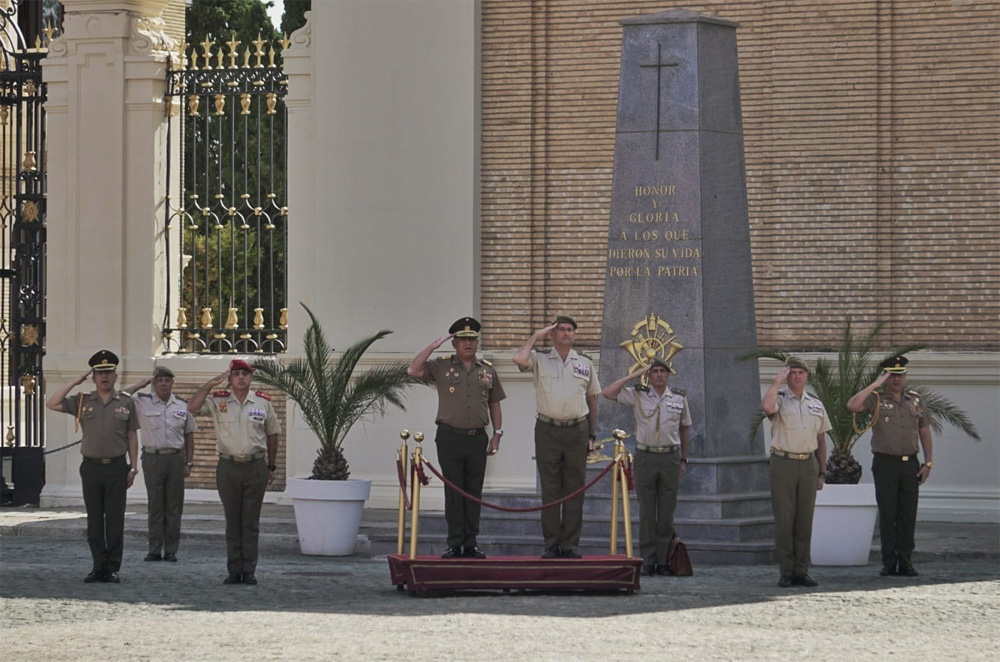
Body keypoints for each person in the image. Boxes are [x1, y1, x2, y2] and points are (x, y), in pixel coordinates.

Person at [407, 317, 506, 559]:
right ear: (455, 344)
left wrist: (497, 434)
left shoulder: (487, 369)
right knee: (454, 492)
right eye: (463, 339)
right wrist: (432, 346)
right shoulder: (441, 366)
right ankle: (454, 543)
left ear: (477, 342)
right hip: (450, 437)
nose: (468, 343)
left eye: (472, 339)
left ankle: (471, 543)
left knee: (473, 491)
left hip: (477, 438)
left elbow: (495, 404)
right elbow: (413, 370)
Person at [45, 350, 140, 583]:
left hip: (117, 468)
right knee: (95, 520)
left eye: (108, 372)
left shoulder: (126, 402)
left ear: (115, 376)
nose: (104, 377)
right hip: (91, 469)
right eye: (100, 373)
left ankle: (112, 568)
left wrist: (133, 468)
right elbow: (52, 402)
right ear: (94, 377)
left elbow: (132, 437)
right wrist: (74, 382)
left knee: (115, 520)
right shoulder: (82, 401)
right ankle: (98, 566)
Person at [513, 315, 600, 559]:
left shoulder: (584, 362)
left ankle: (570, 545)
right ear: (552, 334)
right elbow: (518, 359)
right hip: (547, 430)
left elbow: (592, 399)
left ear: (575, 334)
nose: (565, 333)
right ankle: (551, 545)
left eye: (570, 330)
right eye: (560, 329)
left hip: (577, 430)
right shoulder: (539, 358)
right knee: (550, 490)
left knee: (575, 490)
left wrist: (592, 434)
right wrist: (536, 336)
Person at [188, 359, 280, 585]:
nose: (241, 378)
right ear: (229, 378)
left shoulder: (263, 403)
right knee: (232, 520)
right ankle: (234, 570)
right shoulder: (219, 401)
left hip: (255, 466)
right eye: (236, 374)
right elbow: (192, 409)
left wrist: (271, 466)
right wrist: (211, 384)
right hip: (228, 467)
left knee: (250, 521)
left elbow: (273, 434)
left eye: (245, 374)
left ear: (251, 377)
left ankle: (248, 570)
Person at [602, 358, 691, 576]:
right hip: (645, 458)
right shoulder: (639, 394)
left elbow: (685, 429)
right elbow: (608, 393)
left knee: (667, 512)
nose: (659, 375)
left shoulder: (679, 397)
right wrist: (633, 375)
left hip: (670, 457)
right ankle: (648, 560)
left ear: (669, 374)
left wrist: (683, 459)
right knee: (647, 512)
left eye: (663, 371)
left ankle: (663, 560)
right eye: (655, 372)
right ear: (649, 375)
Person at [847, 355, 933, 577]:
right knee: (887, 513)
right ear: (886, 377)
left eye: (900, 374)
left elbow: (924, 430)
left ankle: (905, 560)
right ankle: (888, 561)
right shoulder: (876, 399)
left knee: (907, 513)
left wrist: (928, 462)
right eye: (892, 375)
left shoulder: (915, 400)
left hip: (910, 464)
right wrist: (876, 384)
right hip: (886, 464)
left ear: (905, 376)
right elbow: (853, 405)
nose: (896, 379)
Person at [761, 357, 829, 588]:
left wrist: (822, 471)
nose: (798, 376)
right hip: (784, 464)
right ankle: (786, 571)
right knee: (785, 519)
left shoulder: (816, 404)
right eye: (793, 372)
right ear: (787, 376)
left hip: (808, 464)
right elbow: (767, 408)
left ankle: (802, 570)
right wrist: (776, 382)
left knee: (804, 520)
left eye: (801, 372)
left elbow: (820, 438)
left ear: (806, 376)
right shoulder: (779, 399)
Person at [124, 366, 197, 563]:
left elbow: (189, 436)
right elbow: (120, 396)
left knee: (174, 506)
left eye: (167, 380)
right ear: (154, 383)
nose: (164, 384)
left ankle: (171, 550)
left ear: (172, 383)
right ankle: (155, 549)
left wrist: (189, 462)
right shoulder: (142, 402)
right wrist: (142, 383)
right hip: (152, 458)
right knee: (155, 505)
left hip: (175, 458)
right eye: (160, 380)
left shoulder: (182, 405)